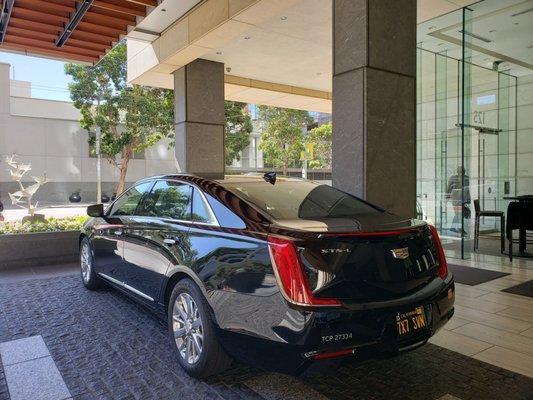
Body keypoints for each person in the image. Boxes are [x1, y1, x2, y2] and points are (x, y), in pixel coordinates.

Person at [446, 166, 471, 235]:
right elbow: (448, 189)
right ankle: (460, 229)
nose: (462, 172)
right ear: (457, 172)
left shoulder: (466, 178)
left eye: (463, 171)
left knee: (459, 215)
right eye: (460, 171)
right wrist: (446, 198)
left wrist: (468, 199)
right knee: (458, 214)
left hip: (464, 199)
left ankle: (453, 228)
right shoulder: (453, 178)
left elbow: (467, 189)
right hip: (456, 200)